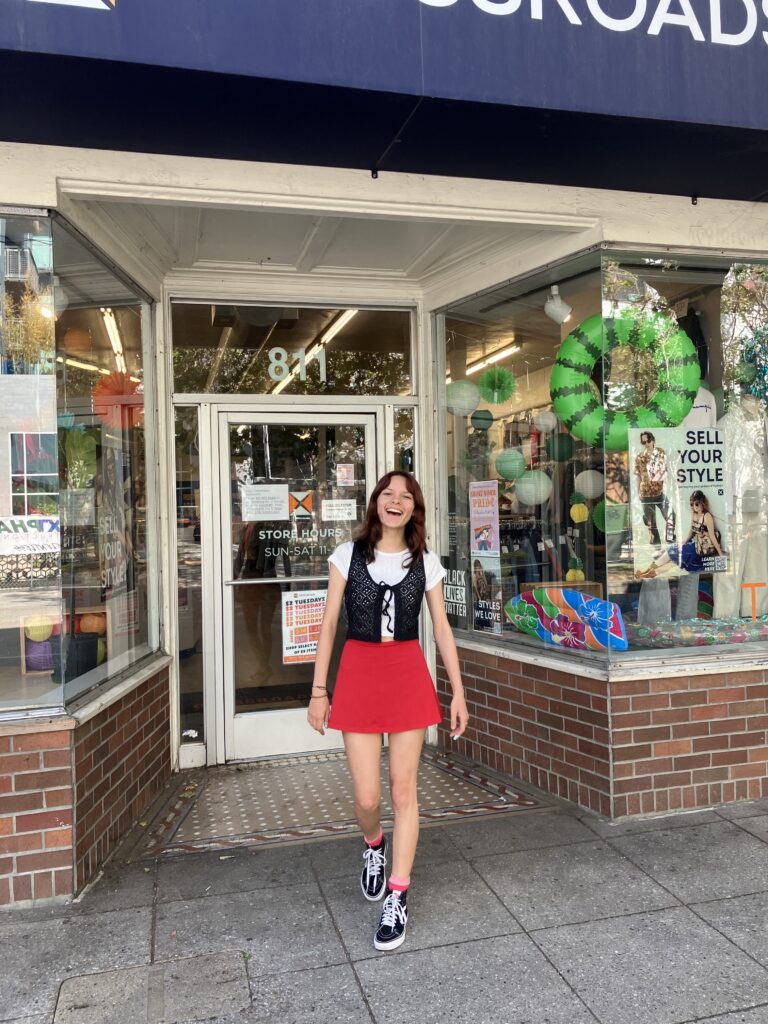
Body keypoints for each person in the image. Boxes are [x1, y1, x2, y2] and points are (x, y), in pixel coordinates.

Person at [307, 471, 468, 951]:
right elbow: (330, 623)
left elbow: (441, 630)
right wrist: (319, 691)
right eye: (387, 494)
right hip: (358, 671)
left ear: (413, 508)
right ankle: (373, 845)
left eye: (405, 496)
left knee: (403, 790)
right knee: (367, 798)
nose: (395, 502)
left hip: (405, 673)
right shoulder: (347, 555)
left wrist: (457, 692)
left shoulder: (427, 563)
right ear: (376, 502)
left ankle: (398, 894)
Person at [635, 490, 723, 578]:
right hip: (693, 543)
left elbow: (712, 536)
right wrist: (685, 541)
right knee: (673, 553)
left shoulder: (707, 516)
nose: (694, 507)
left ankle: (649, 573)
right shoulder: (694, 514)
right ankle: (648, 571)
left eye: (696, 504)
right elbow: (691, 531)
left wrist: (720, 553)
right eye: (692, 504)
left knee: (674, 555)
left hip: (700, 548)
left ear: (702, 503)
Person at [634, 431, 670, 546]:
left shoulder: (660, 452)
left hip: (659, 492)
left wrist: (666, 487)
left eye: (648, 440)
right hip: (645, 493)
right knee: (651, 523)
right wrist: (637, 492)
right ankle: (657, 547)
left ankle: (670, 540)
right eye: (643, 441)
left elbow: (665, 471)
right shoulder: (639, 457)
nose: (646, 443)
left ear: (653, 440)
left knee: (670, 515)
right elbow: (637, 475)